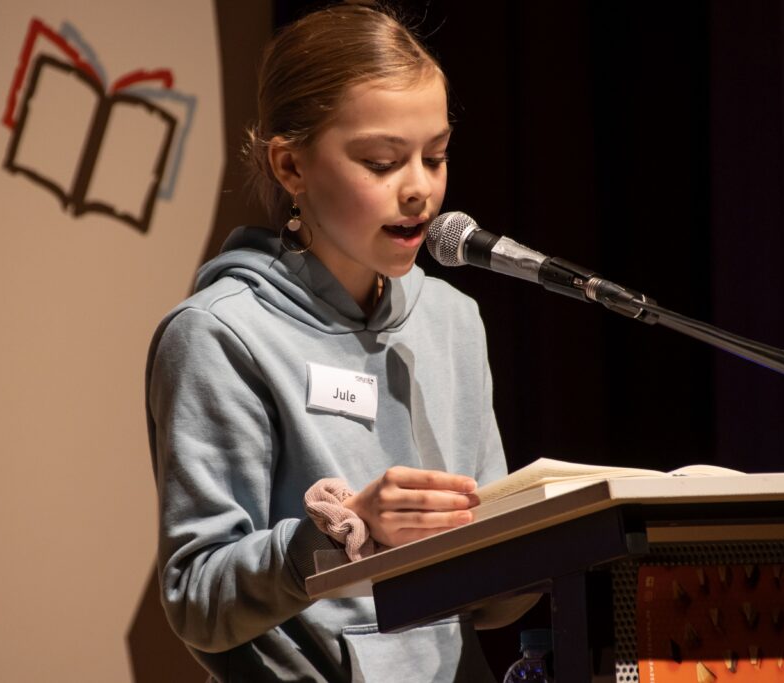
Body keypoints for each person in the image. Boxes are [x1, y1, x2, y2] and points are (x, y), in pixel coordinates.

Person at [145, 3, 525, 681]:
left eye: (434, 156)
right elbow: (200, 597)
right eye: (382, 162)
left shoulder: (453, 318)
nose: (420, 190)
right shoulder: (220, 333)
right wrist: (341, 536)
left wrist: (556, 550)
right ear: (291, 166)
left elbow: (490, 603)